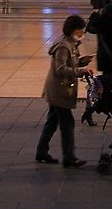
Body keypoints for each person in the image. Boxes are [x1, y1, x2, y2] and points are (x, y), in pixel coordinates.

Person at [36, 15, 93, 167]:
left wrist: (82, 61)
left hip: (58, 89)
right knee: (67, 124)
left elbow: (70, 62)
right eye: (82, 30)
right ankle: (69, 157)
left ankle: (41, 151)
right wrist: (81, 71)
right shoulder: (64, 45)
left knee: (52, 121)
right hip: (59, 90)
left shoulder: (70, 43)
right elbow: (60, 69)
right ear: (75, 30)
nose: (83, 33)